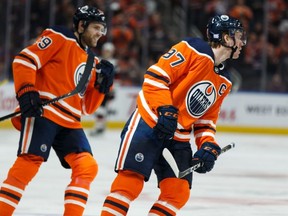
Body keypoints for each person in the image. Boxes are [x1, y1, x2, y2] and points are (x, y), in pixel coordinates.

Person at [100, 14, 246, 215]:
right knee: (129, 183)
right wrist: (165, 109)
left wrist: (207, 145)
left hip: (178, 137)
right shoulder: (192, 48)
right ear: (225, 38)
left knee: (177, 193)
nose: (242, 42)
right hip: (150, 122)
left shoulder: (225, 81)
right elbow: (156, 76)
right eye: (237, 36)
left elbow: (205, 120)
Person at [0, 5, 114, 216]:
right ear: (81, 25)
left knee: (87, 166)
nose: (100, 33)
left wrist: (102, 87)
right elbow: (24, 60)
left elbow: (88, 107)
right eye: (96, 27)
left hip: (70, 122)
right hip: (43, 112)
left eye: (103, 29)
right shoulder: (59, 36)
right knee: (29, 163)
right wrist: (26, 92)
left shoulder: (93, 61)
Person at [90, 42, 117, 136]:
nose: (107, 53)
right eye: (106, 51)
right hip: (100, 87)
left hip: (109, 89)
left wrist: (113, 90)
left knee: (103, 109)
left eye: (108, 51)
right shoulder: (99, 61)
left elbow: (116, 78)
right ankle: (99, 127)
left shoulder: (114, 63)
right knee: (99, 109)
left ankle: (100, 127)